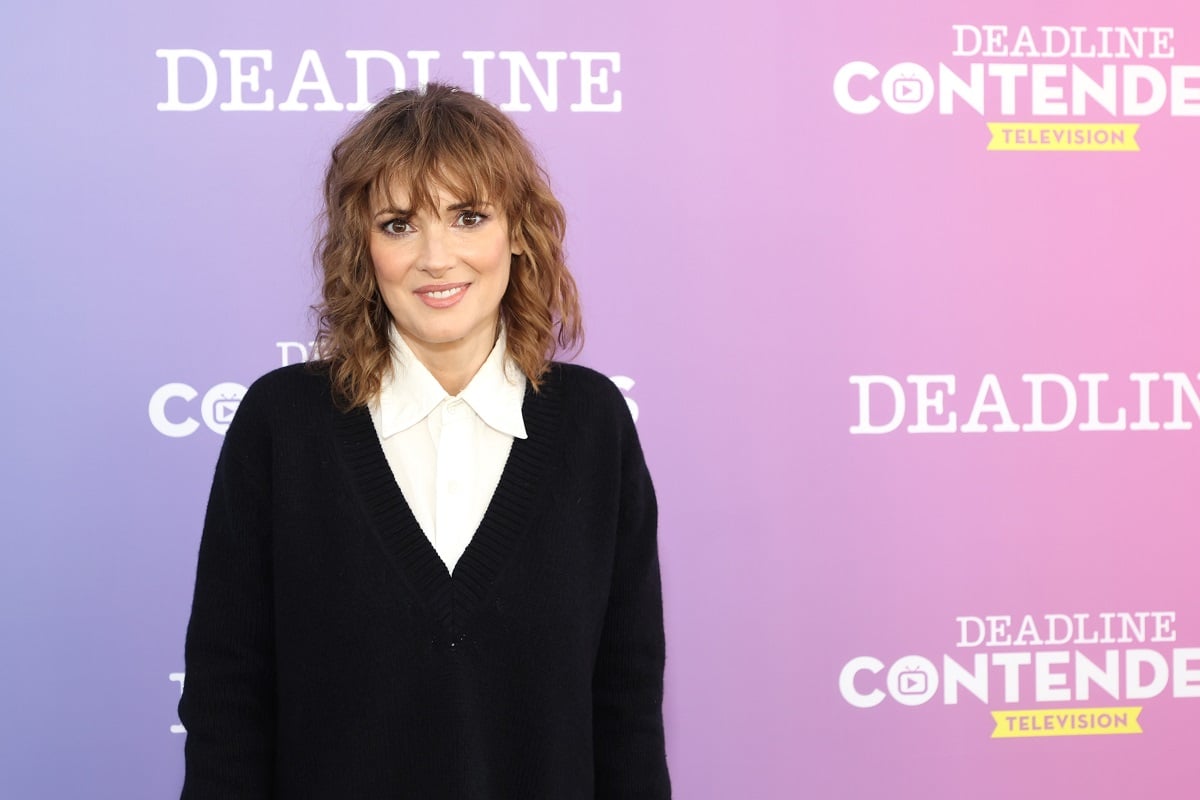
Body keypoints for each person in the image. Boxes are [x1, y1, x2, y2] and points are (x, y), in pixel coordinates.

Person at [178, 83, 670, 798]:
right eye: (399, 224)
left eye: (468, 216)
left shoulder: (593, 428)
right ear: (362, 247)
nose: (436, 257)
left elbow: (625, 712)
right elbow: (228, 705)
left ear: (517, 233)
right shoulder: (280, 426)